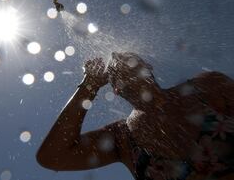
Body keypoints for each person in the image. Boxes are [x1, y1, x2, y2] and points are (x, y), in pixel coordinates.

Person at [36, 52, 234, 180]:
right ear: (115, 89)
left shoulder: (207, 86)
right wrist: (89, 86)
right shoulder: (121, 138)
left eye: (127, 56)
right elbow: (53, 157)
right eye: (113, 69)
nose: (116, 57)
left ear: (148, 66)